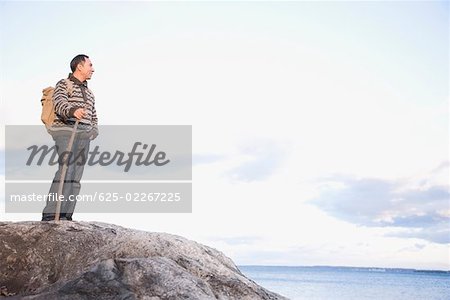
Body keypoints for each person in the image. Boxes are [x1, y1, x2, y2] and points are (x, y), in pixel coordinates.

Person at [42, 54, 98, 221]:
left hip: (84, 135)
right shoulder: (63, 84)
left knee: (76, 176)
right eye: (90, 65)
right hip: (66, 131)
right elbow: (59, 104)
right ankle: (51, 213)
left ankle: (66, 214)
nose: (93, 69)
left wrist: (94, 128)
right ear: (79, 66)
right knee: (66, 171)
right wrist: (73, 111)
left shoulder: (90, 93)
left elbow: (94, 115)